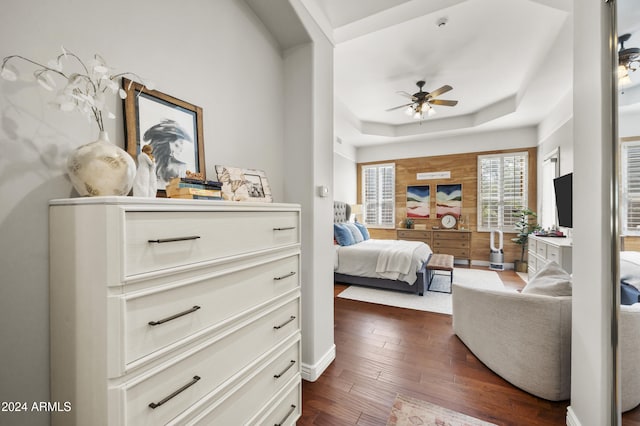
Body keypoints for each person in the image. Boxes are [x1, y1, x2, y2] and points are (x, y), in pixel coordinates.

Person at [143, 119, 194, 189]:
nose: (181, 149)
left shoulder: (180, 167)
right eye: (180, 143)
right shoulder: (147, 163)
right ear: (167, 142)